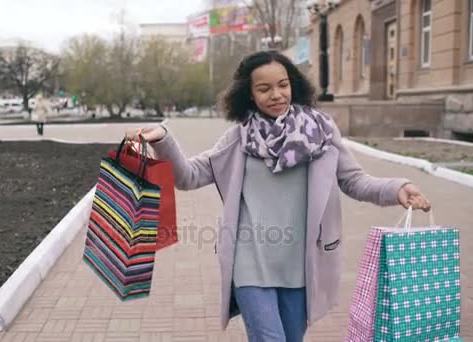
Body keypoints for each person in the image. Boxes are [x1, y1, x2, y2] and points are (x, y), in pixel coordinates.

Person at [125, 51, 431, 342]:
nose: (276, 95)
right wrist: (163, 141)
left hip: (300, 263)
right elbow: (188, 176)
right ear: (249, 94)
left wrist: (396, 189)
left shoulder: (321, 133)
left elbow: (353, 181)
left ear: (293, 85)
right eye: (264, 88)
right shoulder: (238, 139)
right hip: (250, 262)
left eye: (283, 85)